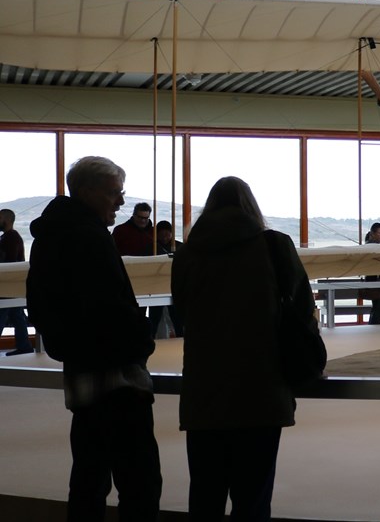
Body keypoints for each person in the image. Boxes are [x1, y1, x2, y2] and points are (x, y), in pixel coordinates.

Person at [25, 156, 162, 521]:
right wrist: (141, 343)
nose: (120, 202)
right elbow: (109, 307)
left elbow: (40, 306)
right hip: (117, 378)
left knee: (89, 477)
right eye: (115, 193)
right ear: (88, 192)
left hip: (83, 379)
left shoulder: (52, 236)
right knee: (139, 480)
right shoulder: (87, 237)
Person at [171, 176, 313, 521]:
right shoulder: (274, 245)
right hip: (261, 389)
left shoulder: (188, 253)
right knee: (253, 498)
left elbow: (180, 314)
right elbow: (302, 308)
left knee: (205, 495)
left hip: (204, 392)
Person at [0, 208, 34, 355]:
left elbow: (9, 262)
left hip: (7, 285)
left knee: (3, 315)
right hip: (14, 286)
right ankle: (24, 346)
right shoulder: (12, 237)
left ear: (5, 219)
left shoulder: (10, 238)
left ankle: (24, 346)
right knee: (16, 315)